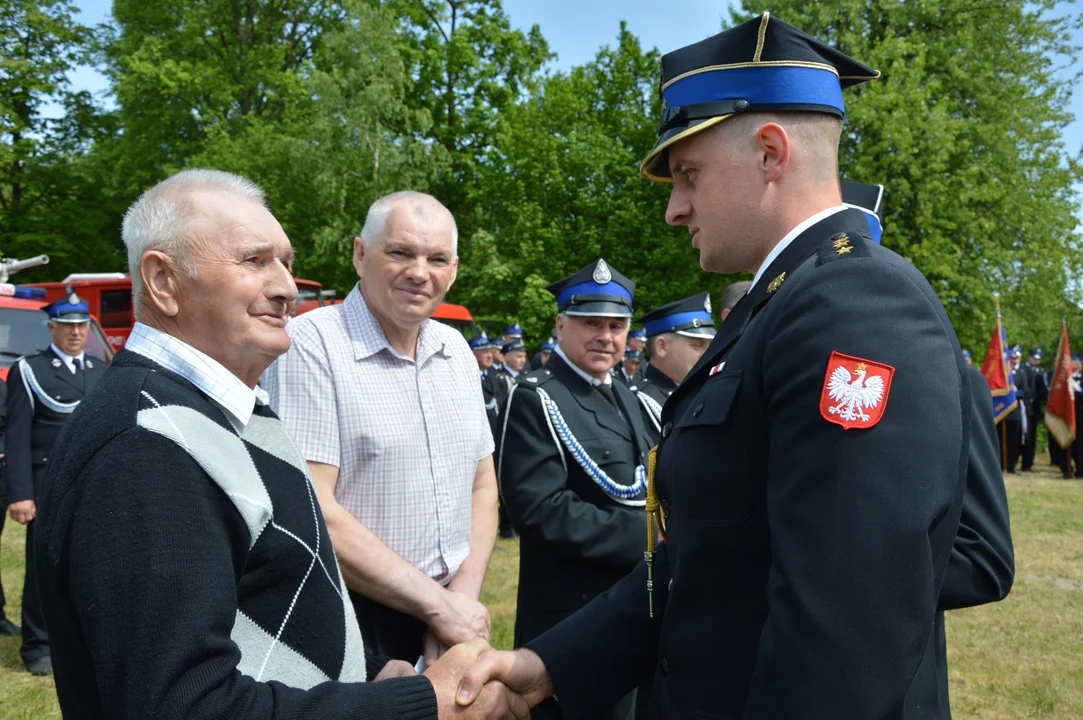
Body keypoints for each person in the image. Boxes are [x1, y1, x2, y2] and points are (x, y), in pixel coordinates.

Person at [458, 14, 972, 719]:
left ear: (769, 152)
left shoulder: (853, 304)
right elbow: (706, 558)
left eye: (688, 174)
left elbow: (842, 628)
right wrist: (547, 665)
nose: (674, 208)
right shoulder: (781, 306)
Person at [33, 170, 525, 719]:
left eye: (286, 263)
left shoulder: (229, 409)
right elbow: (186, 704)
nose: (287, 287)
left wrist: (370, 672)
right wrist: (417, 703)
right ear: (163, 282)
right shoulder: (142, 444)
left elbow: (274, 600)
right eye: (254, 260)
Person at [264, 190, 499, 670]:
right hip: (354, 618)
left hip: (454, 609)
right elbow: (314, 508)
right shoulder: (313, 347)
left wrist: (459, 602)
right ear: (359, 254)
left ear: (453, 270)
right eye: (400, 252)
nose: (419, 271)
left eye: (437, 258)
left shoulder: (455, 351)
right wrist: (439, 608)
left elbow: (482, 485)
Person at [496, 259, 655, 720]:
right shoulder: (537, 396)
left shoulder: (627, 394)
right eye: (591, 323)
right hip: (573, 616)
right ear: (561, 324)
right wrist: (648, 537)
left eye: (616, 325)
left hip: (633, 603)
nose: (606, 336)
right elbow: (540, 510)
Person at [5, 292, 107, 675]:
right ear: (52, 329)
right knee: (44, 569)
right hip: (47, 485)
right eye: (67, 327)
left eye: (81, 326)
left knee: (91, 567)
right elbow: (16, 437)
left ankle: (81, 639)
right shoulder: (30, 370)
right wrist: (20, 494)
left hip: (93, 486)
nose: (76, 333)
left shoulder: (99, 370)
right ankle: (37, 646)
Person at [632, 292, 716, 434]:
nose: (708, 355)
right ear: (662, 347)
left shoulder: (704, 392)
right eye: (697, 345)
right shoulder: (638, 403)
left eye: (710, 346)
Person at [1018, 349, 1047, 472]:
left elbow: (1042, 391)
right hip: (1022, 406)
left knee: (1032, 436)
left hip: (1034, 408)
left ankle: (1028, 462)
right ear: (1029, 357)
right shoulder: (1022, 370)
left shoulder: (1041, 372)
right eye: (1034, 358)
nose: (1036, 360)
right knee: (1022, 435)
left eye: (1038, 359)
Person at [1001, 346, 1024, 473]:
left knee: (1014, 441)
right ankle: (1001, 464)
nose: (1013, 360)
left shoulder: (1021, 373)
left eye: (1015, 357)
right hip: (1002, 411)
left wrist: (1014, 392)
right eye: (1011, 357)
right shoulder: (1002, 372)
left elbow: (1027, 391)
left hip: (1015, 411)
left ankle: (1011, 466)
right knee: (1000, 439)